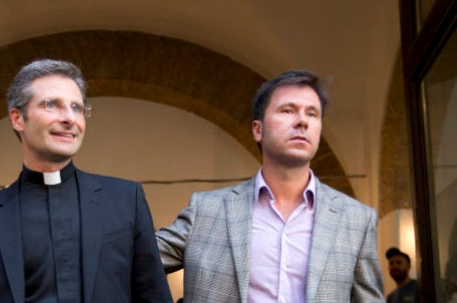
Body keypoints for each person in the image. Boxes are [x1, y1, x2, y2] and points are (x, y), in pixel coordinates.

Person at [0, 58, 172, 302]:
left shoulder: (126, 200)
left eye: (77, 108)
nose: (70, 118)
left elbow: (154, 296)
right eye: (51, 105)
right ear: (17, 118)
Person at [156, 69, 385, 302]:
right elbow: (137, 258)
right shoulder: (206, 211)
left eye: (312, 114)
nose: (302, 121)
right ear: (258, 129)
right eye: (288, 110)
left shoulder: (356, 220)